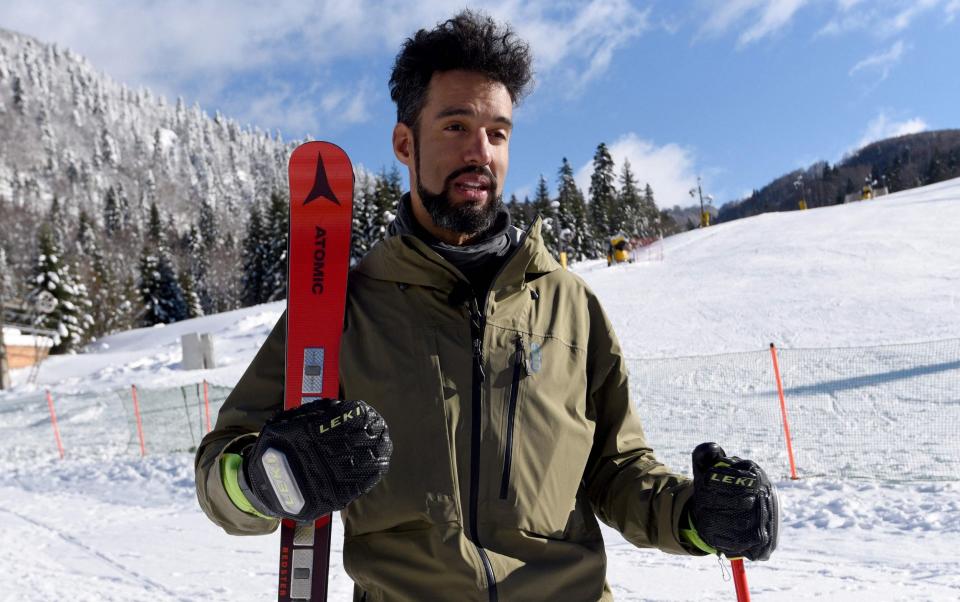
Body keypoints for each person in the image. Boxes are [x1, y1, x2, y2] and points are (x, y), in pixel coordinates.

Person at [195, 10, 777, 601]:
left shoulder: (570, 306)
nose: (480, 152)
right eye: (455, 127)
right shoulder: (343, 313)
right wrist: (265, 482)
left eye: (498, 133)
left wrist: (697, 517)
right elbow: (221, 468)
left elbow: (617, 471)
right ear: (405, 143)